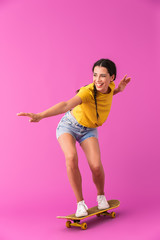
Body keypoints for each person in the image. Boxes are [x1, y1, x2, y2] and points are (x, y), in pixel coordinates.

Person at [17, 58, 131, 217]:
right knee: (71, 157)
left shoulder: (110, 87)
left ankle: (101, 197)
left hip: (89, 129)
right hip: (68, 125)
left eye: (103, 76)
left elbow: (108, 93)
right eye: (95, 75)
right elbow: (65, 105)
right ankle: (80, 204)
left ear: (112, 77)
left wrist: (119, 89)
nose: (98, 80)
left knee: (96, 166)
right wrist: (40, 115)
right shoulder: (87, 92)